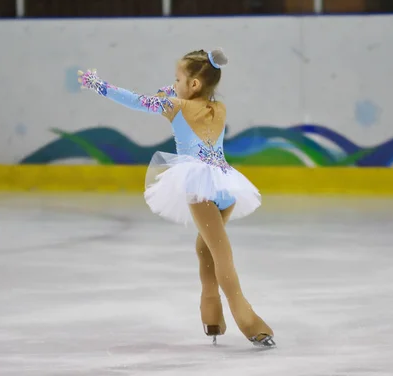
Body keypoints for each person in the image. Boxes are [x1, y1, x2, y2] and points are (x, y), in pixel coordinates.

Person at [77, 49, 275, 348]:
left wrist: (98, 85)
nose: (173, 84)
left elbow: (135, 99)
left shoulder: (175, 106)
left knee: (221, 256)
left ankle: (250, 323)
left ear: (193, 84)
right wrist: (185, 82)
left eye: (178, 78)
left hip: (199, 190)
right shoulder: (218, 108)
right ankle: (211, 314)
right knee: (205, 249)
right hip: (227, 188)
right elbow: (179, 91)